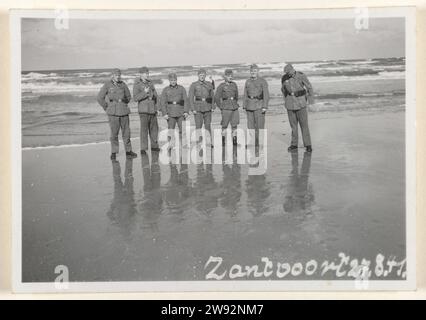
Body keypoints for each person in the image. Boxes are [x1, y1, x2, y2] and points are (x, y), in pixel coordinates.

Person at [97, 68, 137, 160]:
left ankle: (128, 151)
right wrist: (106, 107)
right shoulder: (107, 85)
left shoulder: (123, 84)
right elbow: (99, 98)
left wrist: (123, 104)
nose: (118, 77)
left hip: (123, 111)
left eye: (119, 75)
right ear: (112, 76)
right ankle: (114, 152)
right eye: (116, 75)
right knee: (114, 134)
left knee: (126, 133)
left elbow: (128, 97)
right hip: (113, 113)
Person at [281, 63, 314, 153]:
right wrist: (286, 101)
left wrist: (311, 102)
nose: (288, 74)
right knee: (293, 126)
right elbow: (283, 91)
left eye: (289, 72)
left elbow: (309, 87)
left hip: (301, 104)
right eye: (287, 73)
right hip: (290, 105)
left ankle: (308, 145)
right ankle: (294, 144)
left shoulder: (301, 76)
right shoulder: (284, 78)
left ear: (293, 69)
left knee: (304, 125)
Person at [133, 66, 160, 155]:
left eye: (148, 73)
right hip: (143, 111)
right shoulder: (137, 84)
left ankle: (154, 146)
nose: (148, 75)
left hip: (152, 110)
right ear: (141, 74)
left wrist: (158, 108)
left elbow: (155, 96)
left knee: (154, 129)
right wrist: (144, 92)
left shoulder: (150, 83)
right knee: (144, 130)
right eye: (146, 73)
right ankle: (143, 148)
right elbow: (135, 98)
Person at [160, 73, 189, 148]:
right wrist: (164, 113)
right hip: (170, 113)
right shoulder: (165, 90)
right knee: (171, 130)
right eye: (171, 80)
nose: (173, 81)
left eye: (174, 80)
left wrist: (186, 111)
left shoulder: (181, 88)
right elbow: (162, 102)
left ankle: (184, 144)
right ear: (169, 81)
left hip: (180, 112)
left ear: (176, 80)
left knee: (183, 129)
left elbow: (186, 100)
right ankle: (170, 144)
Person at [243, 64, 269, 146]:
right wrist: (244, 106)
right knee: (250, 126)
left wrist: (265, 106)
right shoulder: (247, 81)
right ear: (250, 72)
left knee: (259, 126)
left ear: (258, 71)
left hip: (259, 106)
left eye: (255, 71)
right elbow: (245, 94)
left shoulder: (263, 81)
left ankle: (260, 142)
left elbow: (266, 95)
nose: (253, 72)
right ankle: (252, 141)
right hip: (249, 106)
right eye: (251, 71)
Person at [188, 69, 215, 146]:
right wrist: (192, 109)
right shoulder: (194, 85)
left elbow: (212, 96)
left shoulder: (209, 84)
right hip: (198, 108)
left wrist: (213, 106)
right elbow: (190, 97)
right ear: (198, 76)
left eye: (203, 75)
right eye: (200, 75)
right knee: (198, 126)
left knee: (208, 126)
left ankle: (209, 142)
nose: (202, 77)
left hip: (207, 107)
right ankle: (199, 142)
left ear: (205, 76)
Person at [214, 69, 240, 145]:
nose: (230, 77)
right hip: (225, 108)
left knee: (234, 125)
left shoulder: (234, 84)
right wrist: (221, 107)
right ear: (225, 76)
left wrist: (234, 103)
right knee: (224, 125)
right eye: (228, 76)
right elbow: (216, 98)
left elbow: (237, 96)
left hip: (234, 107)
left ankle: (235, 142)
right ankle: (223, 142)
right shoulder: (221, 86)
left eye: (231, 76)